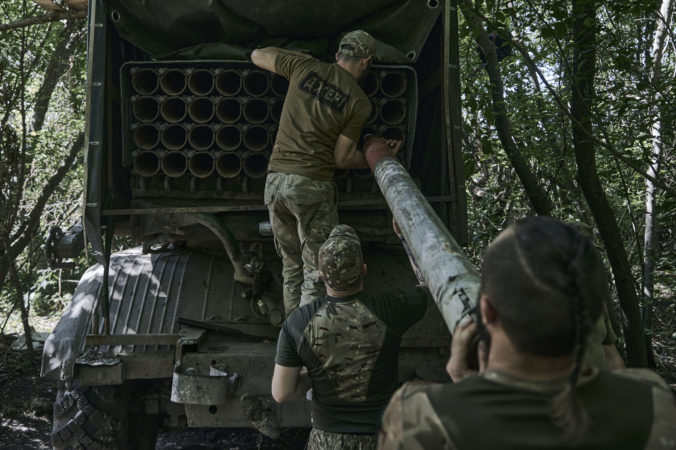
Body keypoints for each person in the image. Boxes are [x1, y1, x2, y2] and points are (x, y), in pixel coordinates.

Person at [379, 216, 676, 449]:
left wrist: (466, 387)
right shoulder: (654, 404)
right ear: (594, 313)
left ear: (487, 311)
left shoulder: (418, 418)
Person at [251, 31, 402, 315]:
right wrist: (385, 156)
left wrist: (296, 56)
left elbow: (257, 55)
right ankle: (307, 344)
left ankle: (290, 342)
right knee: (315, 272)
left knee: (291, 267)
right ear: (366, 62)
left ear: (337, 56)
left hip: (275, 183)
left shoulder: (304, 67)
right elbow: (342, 158)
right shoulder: (358, 102)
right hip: (311, 187)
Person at [271, 224, 428, 450]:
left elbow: (282, 393)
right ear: (364, 269)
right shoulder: (392, 310)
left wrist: (314, 376)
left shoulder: (297, 323)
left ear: (321, 275)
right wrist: (403, 236)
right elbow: (429, 282)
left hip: (327, 441)